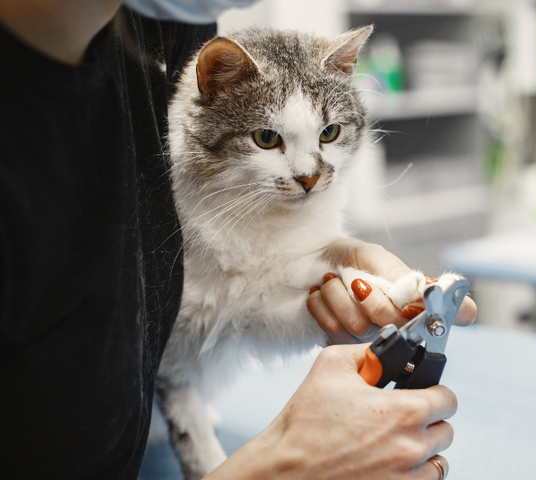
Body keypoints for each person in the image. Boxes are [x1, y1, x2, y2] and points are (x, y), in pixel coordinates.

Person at [0, 1, 476, 479]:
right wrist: (280, 466)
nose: (310, 174)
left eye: (329, 133)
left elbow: (247, 311)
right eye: (270, 139)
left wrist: (356, 277)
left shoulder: (167, 23)